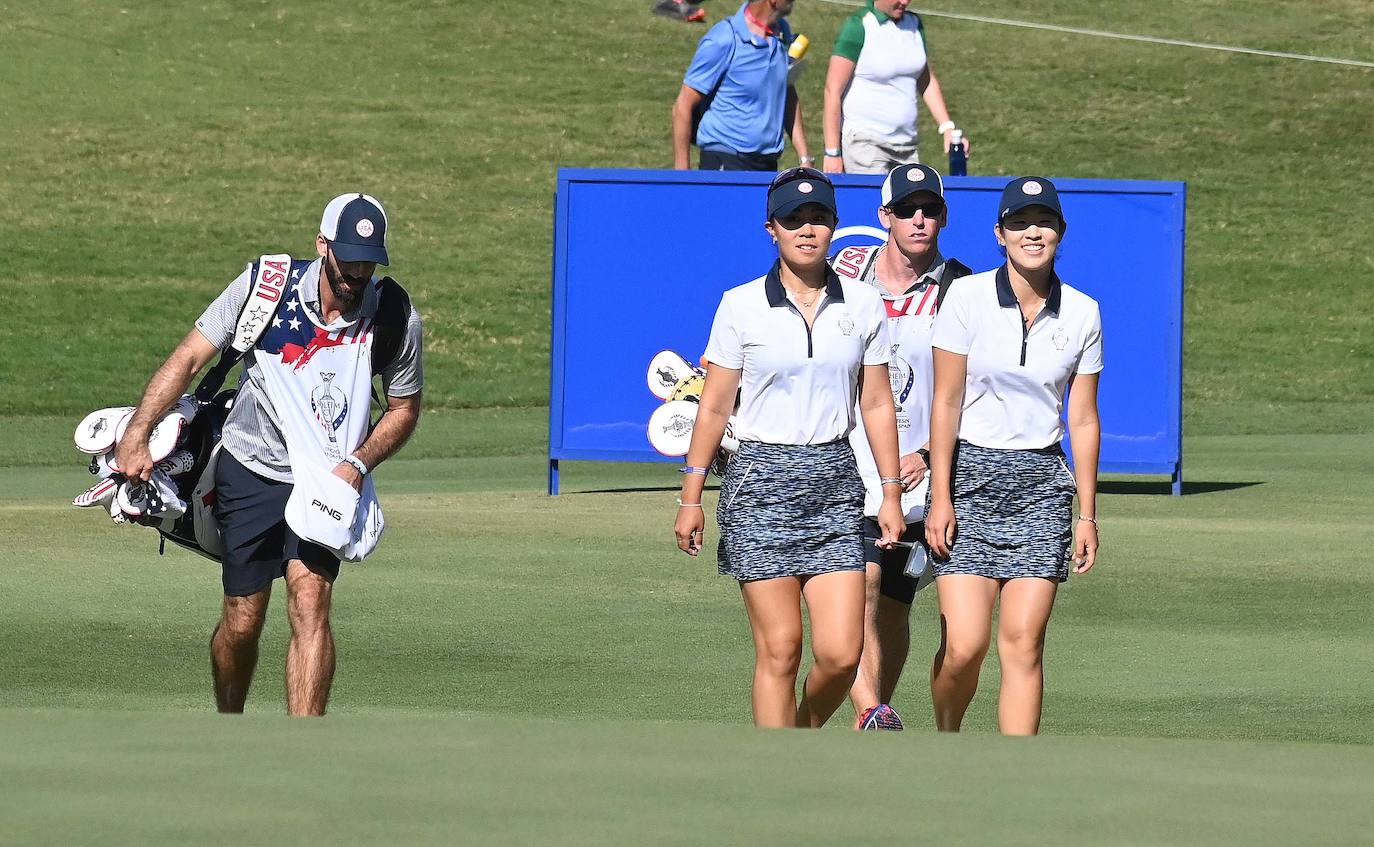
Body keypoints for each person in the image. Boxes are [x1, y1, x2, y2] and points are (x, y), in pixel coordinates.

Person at [114, 193, 424, 717]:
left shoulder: (393, 314)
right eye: (348, 259)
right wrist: (138, 432)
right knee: (242, 619)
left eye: (368, 263)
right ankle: (230, 724)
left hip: (327, 483)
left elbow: (404, 407)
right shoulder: (268, 287)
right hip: (251, 471)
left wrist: (358, 464)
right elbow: (191, 356)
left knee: (311, 605)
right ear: (322, 245)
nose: (356, 274)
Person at [674, 167, 904, 728]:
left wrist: (891, 492)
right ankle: (776, 773)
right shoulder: (741, 304)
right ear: (770, 228)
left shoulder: (864, 305)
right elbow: (715, 405)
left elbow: (876, 403)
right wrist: (690, 495)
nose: (808, 229)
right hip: (759, 483)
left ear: (834, 226)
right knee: (781, 649)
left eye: (819, 218)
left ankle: (798, 734)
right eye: (794, 220)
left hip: (834, 480)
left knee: (841, 654)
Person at [924, 176, 1101, 735]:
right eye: (1020, 223)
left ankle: (1016, 777)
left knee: (1023, 643)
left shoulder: (1083, 312)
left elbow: (1082, 418)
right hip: (969, 481)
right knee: (965, 646)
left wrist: (1087, 513)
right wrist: (940, 497)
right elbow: (945, 402)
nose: (1033, 232)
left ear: (1061, 233)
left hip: (1041, 487)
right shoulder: (966, 297)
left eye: (1044, 222)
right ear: (1000, 234)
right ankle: (947, 735)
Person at [830, 163, 971, 730]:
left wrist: (933, 458)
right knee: (857, 583)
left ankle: (874, 717)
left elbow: (974, 392)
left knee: (894, 601)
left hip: (922, 476)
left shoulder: (962, 288)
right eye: (907, 209)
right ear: (883, 216)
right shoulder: (844, 276)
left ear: (943, 216)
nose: (919, 219)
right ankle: (868, 708)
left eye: (930, 209)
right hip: (850, 464)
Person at [820, 0, 969, 175]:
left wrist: (947, 127)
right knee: (873, 202)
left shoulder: (914, 24)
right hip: (865, 144)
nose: (904, 1)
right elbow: (832, 90)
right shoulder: (859, 26)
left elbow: (925, 79)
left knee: (912, 201)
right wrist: (832, 152)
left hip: (907, 145)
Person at [671, 0, 813, 171]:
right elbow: (682, 106)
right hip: (725, 160)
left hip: (767, 164)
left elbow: (786, 91)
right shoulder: (724, 38)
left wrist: (805, 157)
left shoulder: (782, 33)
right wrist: (682, 176)